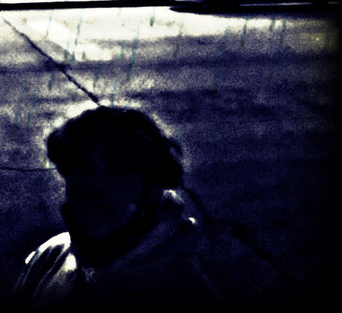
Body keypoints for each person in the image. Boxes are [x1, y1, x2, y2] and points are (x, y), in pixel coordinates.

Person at [15, 106, 221, 308]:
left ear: (153, 185)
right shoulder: (50, 257)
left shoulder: (188, 288)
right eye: (82, 168)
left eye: (117, 171)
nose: (94, 185)